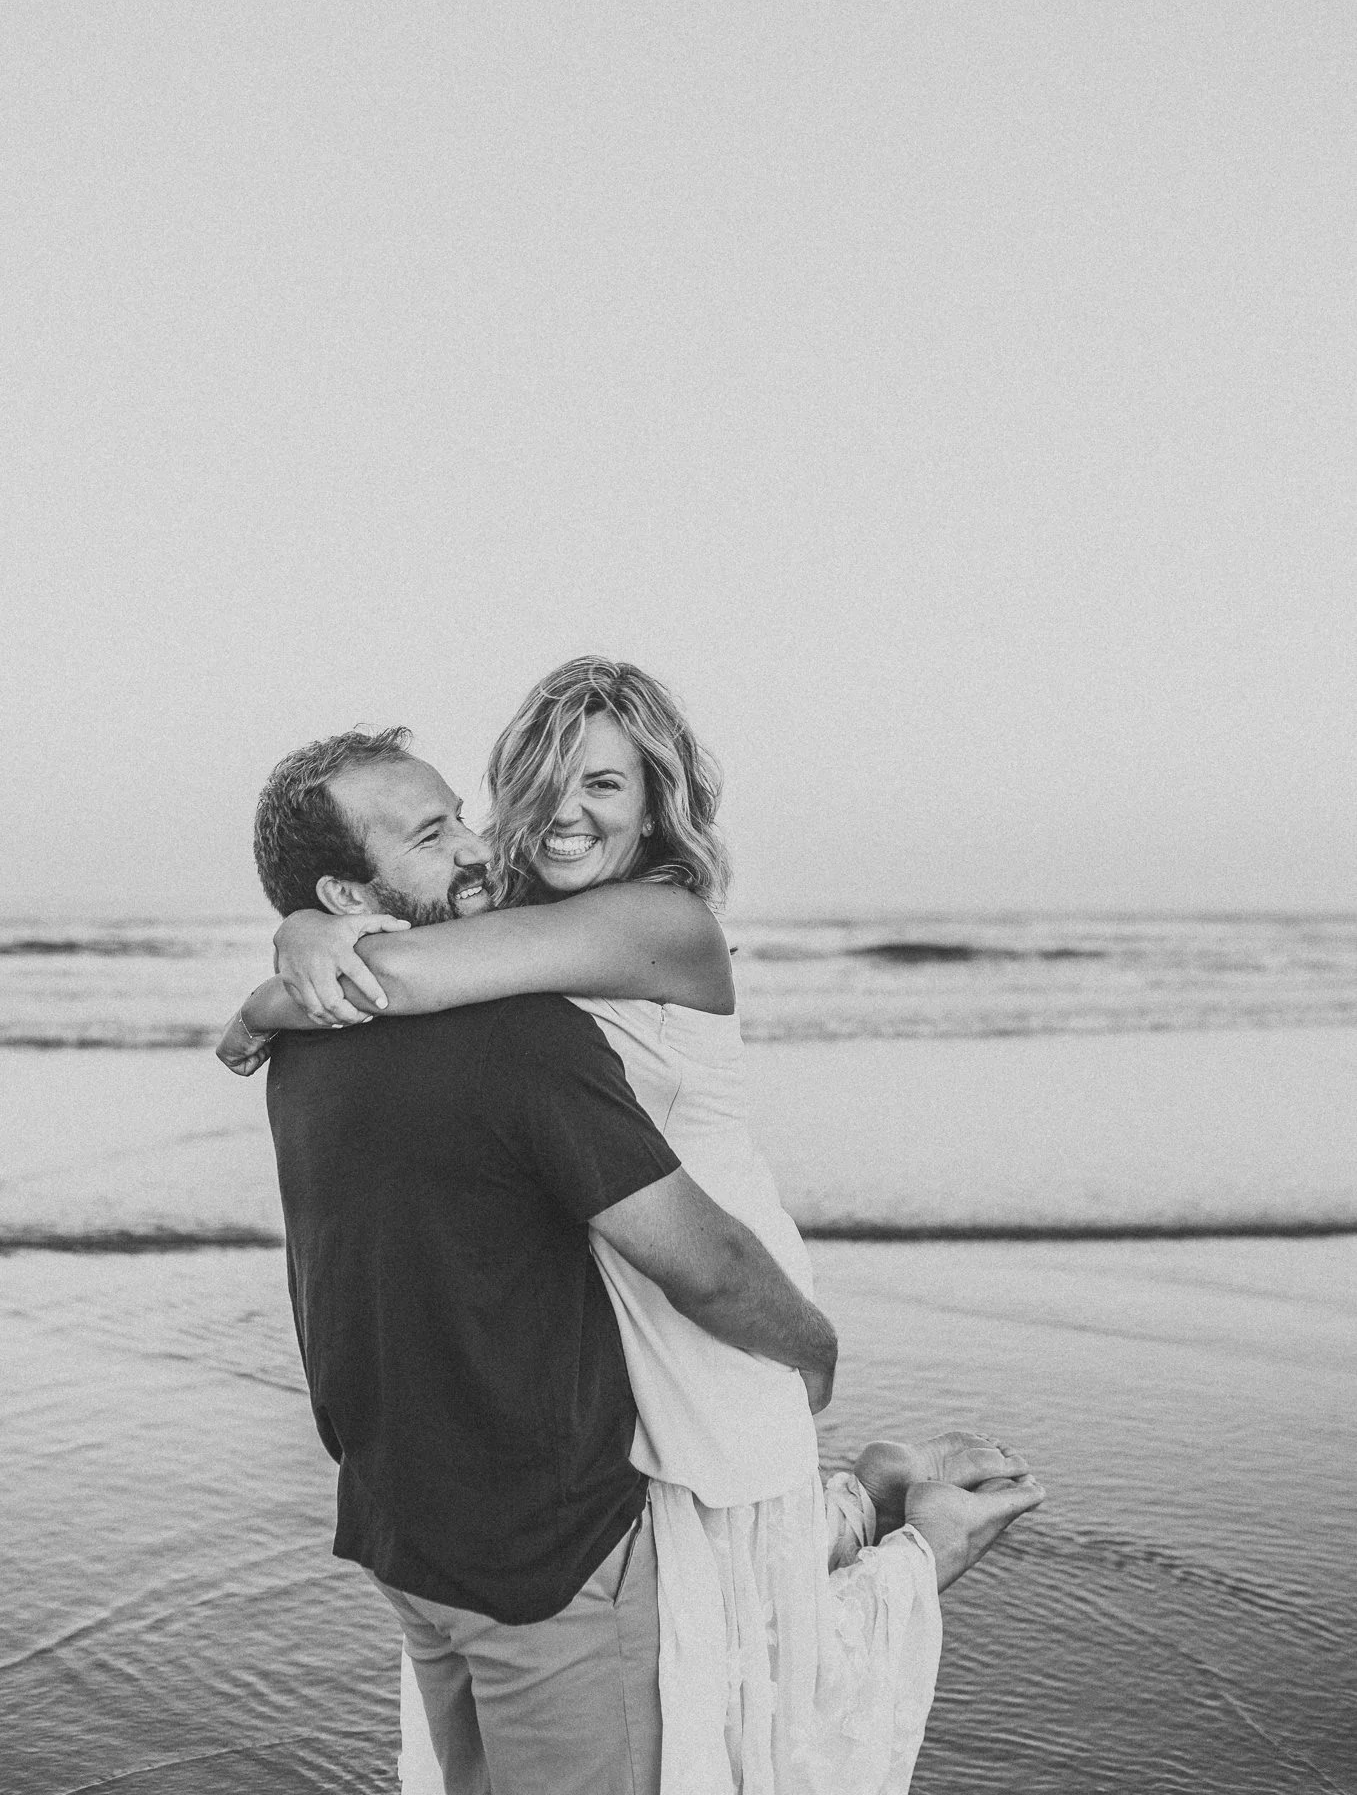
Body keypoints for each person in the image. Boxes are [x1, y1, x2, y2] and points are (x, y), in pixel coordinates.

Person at [220, 663, 1044, 1793]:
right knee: (702, 1611)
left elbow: (396, 969)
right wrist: (308, 935)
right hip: (623, 1272)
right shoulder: (511, 925)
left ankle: (920, 1537)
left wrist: (291, 960)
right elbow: (400, 968)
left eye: (604, 781)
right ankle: (872, 1486)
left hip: (709, 1266)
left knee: (752, 1651)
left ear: (657, 798)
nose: (564, 810)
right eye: (535, 782)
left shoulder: (660, 919)